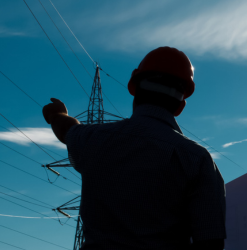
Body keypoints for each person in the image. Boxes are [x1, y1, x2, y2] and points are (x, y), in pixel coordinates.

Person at [42, 47, 226, 250]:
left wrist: (56, 114)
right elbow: (210, 242)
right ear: (180, 106)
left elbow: (67, 130)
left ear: (133, 87)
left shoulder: (93, 140)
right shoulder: (198, 160)